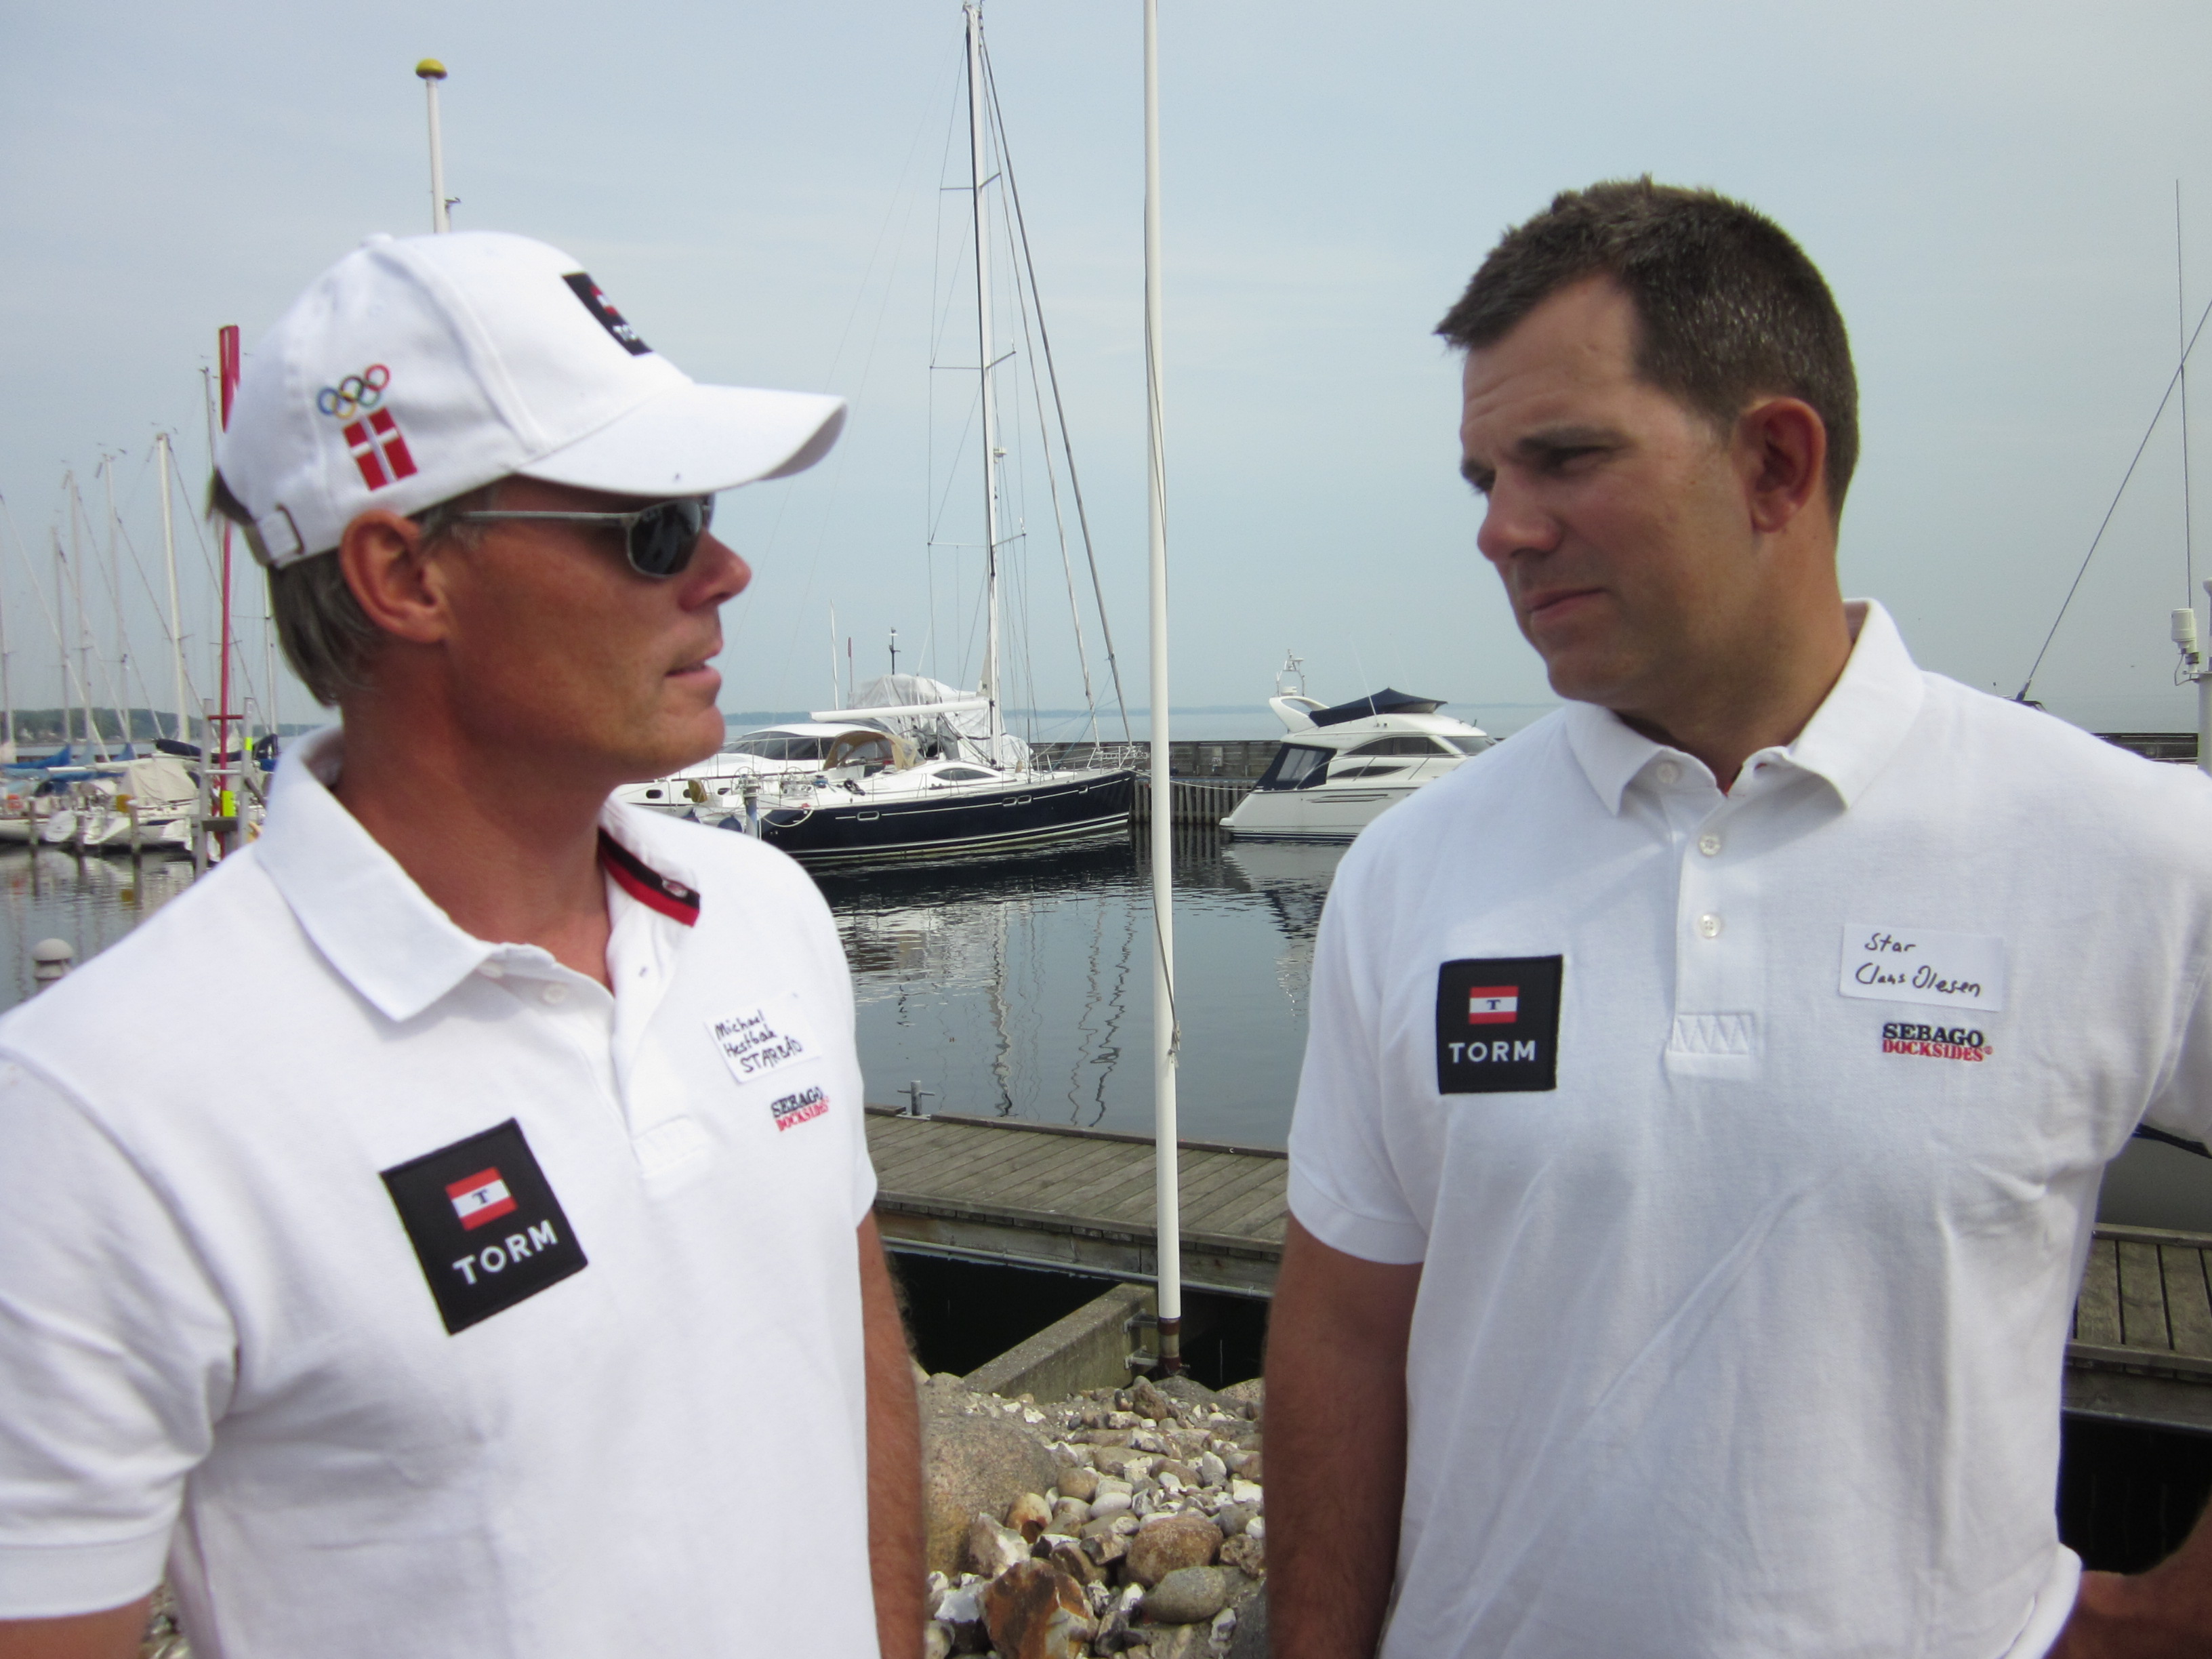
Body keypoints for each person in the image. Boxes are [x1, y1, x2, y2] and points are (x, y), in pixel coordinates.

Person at [1265, 179, 2212, 1658]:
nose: (1502, 531)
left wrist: (2171, 1615)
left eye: (1564, 458)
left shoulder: (2123, 846)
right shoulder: (1413, 871)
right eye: (1483, 478)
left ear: (1776, 463)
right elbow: (1343, 1327)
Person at [0, 230, 922, 1659]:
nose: (727, 569)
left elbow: (845, 1343)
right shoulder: (98, 1112)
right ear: (407, 576)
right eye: (654, 524)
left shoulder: (766, 916)